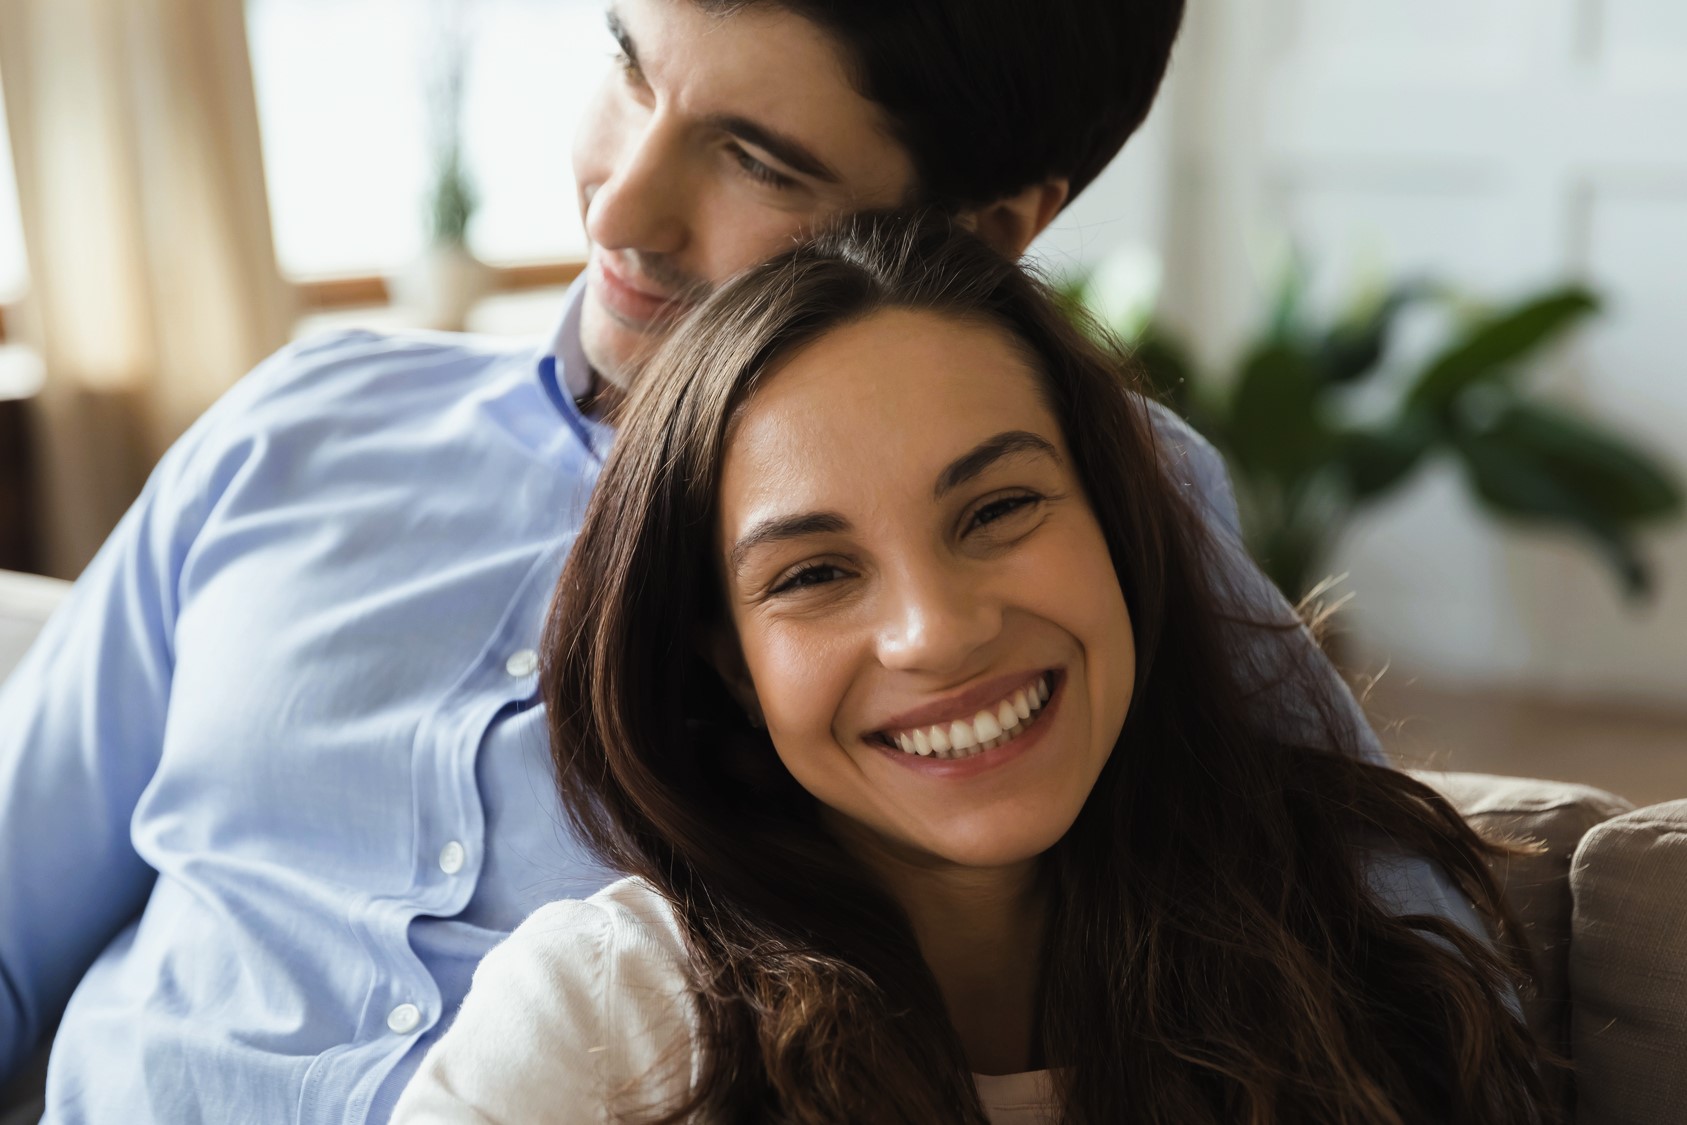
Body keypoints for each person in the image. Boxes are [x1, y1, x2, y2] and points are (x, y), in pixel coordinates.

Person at [0, 1, 1483, 1121]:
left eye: (755, 159)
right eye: (630, 67)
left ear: (983, 229)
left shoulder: (1078, 508)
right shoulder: (295, 427)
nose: (619, 210)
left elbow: (1365, 948)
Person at [392, 213, 1549, 1124]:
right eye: (812, 575)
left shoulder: (1348, 947)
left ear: (1116, 528)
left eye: (997, 509)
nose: (935, 634)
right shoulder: (605, 1018)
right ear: (730, 669)